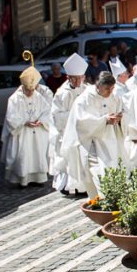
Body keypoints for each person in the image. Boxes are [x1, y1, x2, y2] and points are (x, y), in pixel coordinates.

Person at [62, 72, 124, 199]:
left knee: (111, 171)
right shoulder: (84, 100)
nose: (110, 92)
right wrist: (105, 120)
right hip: (91, 143)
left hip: (109, 141)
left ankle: (108, 201)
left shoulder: (114, 97)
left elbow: (123, 111)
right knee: (97, 172)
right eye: (107, 89)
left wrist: (119, 119)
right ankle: (101, 200)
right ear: (98, 86)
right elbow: (81, 122)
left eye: (112, 88)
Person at [3, 64, 53, 187]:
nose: (31, 92)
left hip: (37, 132)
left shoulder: (39, 96)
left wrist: (41, 120)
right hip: (22, 133)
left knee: (37, 154)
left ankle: (39, 179)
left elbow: (47, 111)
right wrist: (24, 122)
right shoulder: (14, 99)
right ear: (23, 87)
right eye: (28, 90)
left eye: (32, 90)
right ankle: (22, 180)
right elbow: (11, 117)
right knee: (24, 155)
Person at [50, 54, 88, 194]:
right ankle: (69, 186)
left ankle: (84, 186)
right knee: (70, 160)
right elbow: (56, 115)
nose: (78, 81)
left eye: (81, 78)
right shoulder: (61, 94)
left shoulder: (87, 90)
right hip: (67, 132)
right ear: (68, 78)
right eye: (75, 78)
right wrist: (74, 116)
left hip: (83, 132)